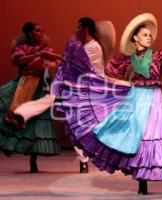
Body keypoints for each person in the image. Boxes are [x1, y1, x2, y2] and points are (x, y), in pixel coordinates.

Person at [53, 13, 162, 195]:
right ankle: (140, 177)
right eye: (144, 34)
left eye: (150, 35)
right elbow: (109, 74)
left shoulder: (158, 56)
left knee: (151, 134)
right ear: (135, 38)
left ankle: (144, 178)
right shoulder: (126, 61)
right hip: (134, 97)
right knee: (135, 135)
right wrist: (96, 80)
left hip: (153, 98)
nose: (149, 37)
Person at [10, 17, 116, 173]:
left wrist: (58, 59)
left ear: (86, 29)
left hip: (91, 90)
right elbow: (70, 63)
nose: (76, 31)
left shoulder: (93, 47)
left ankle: (103, 155)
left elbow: (76, 65)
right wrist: (57, 59)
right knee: (71, 122)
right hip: (79, 89)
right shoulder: (82, 46)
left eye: (79, 28)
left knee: (86, 127)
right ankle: (22, 113)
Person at [0, 22, 61, 173]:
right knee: (10, 110)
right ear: (30, 34)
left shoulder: (46, 48)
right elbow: (17, 61)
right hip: (24, 82)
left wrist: (50, 62)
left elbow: (56, 61)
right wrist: (38, 55)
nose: (41, 33)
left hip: (41, 87)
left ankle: (33, 160)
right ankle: (8, 145)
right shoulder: (22, 48)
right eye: (37, 31)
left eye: (42, 31)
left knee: (36, 124)